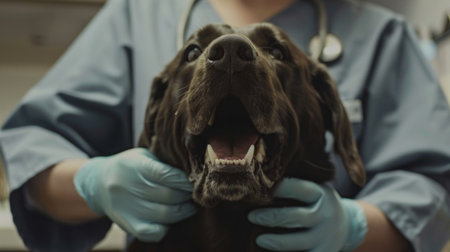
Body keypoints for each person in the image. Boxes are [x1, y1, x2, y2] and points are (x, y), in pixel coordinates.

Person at [1, 0, 449, 251]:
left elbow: (433, 192)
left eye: (274, 54)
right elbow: (30, 148)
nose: (231, 53)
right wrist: (93, 183)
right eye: (197, 53)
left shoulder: (382, 36)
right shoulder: (138, 14)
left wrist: (353, 227)